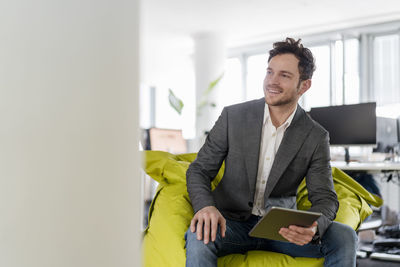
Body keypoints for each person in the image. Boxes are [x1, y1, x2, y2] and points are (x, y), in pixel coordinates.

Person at [185, 37, 358, 267]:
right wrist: (206, 207)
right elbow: (199, 170)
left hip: (282, 229)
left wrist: (314, 227)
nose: (272, 82)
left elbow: (325, 197)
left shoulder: (315, 136)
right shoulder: (233, 117)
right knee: (199, 236)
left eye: (284, 75)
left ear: (304, 85)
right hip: (230, 223)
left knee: (345, 236)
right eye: (269, 72)